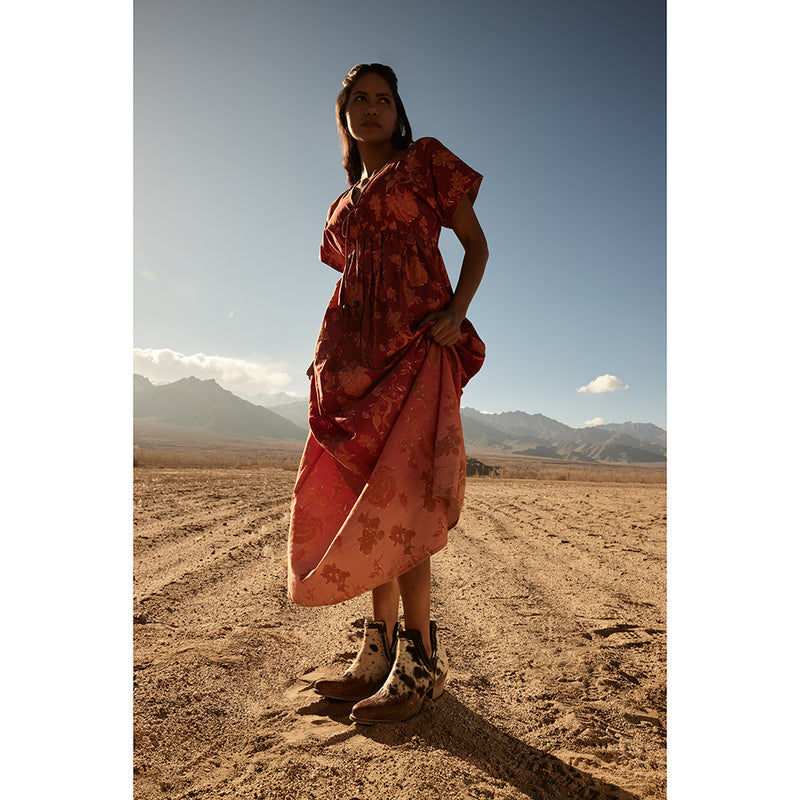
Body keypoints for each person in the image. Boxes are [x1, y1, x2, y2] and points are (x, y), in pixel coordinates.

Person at [287, 63, 488, 724]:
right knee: (369, 509)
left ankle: (422, 663)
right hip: (353, 368)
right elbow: (349, 286)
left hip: (415, 352)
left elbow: (475, 246)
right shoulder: (341, 204)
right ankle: (376, 655)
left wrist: (457, 313)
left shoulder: (425, 161)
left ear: (397, 110)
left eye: (383, 98)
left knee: (404, 506)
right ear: (343, 112)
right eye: (359, 98)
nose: (371, 108)